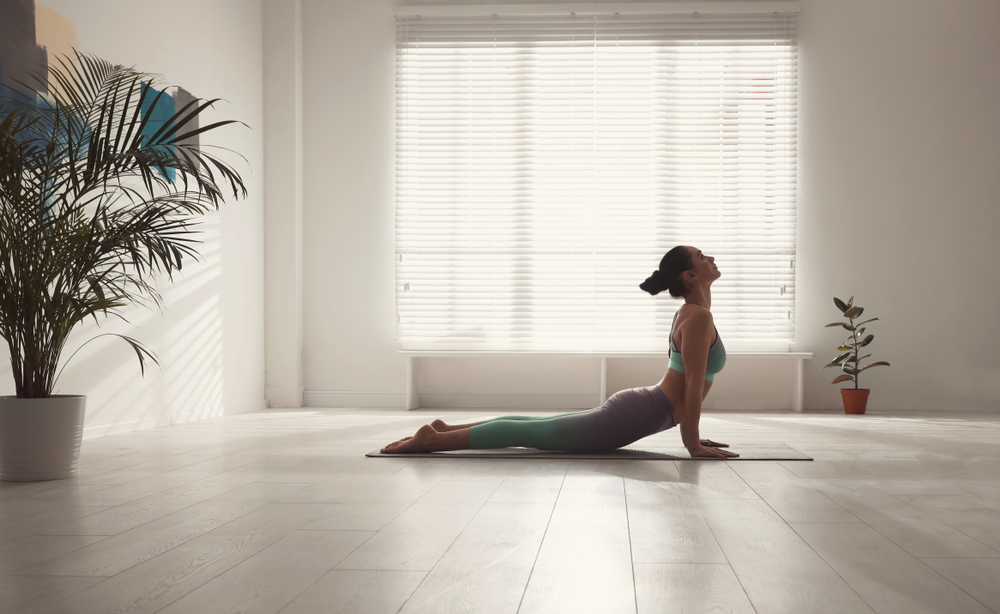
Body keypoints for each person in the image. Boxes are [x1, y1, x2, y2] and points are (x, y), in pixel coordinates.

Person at [381, 245, 739, 458]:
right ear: (690, 276)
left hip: (645, 407)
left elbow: (690, 386)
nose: (711, 258)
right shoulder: (697, 318)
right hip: (638, 413)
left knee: (539, 427)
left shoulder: (695, 315)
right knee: (535, 435)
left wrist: (690, 432)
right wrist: (691, 442)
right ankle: (434, 440)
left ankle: (446, 428)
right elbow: (692, 388)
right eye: (702, 256)